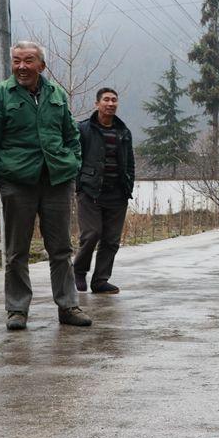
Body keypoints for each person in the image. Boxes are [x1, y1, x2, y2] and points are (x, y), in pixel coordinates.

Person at [0, 41, 92, 330]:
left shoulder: (57, 95)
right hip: (18, 184)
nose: (22, 67)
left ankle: (68, 306)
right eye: (16, 61)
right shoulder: (0, 95)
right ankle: (17, 310)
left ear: (42, 65)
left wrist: (73, 163)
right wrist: (2, 176)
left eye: (28, 61)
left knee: (61, 248)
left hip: (57, 181)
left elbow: (72, 136)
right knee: (17, 251)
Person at [73, 87, 134, 294]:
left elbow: (130, 162)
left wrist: (128, 185)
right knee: (91, 234)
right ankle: (79, 270)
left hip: (117, 193)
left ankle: (100, 280)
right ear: (97, 103)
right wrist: (79, 185)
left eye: (114, 100)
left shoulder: (123, 132)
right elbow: (74, 158)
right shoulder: (83, 129)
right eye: (106, 100)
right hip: (90, 192)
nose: (110, 103)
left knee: (111, 240)